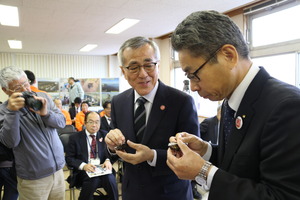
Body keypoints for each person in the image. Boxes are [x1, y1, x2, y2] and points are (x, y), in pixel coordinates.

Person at [166, 10, 300, 200]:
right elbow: (242, 160)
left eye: (194, 74)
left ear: (228, 55)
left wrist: (204, 172)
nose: (194, 87)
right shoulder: (231, 102)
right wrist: (206, 150)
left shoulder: (286, 106)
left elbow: (282, 196)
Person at [104, 36, 200, 200]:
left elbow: (191, 154)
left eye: (149, 65)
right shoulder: (118, 102)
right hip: (132, 192)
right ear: (123, 71)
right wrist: (112, 146)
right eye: (133, 67)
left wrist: (152, 155)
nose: (143, 74)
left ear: (158, 65)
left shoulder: (180, 102)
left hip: (170, 193)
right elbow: (118, 148)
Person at [0, 66, 66, 200]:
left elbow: (62, 122)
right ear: (5, 90)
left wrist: (46, 114)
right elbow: (11, 142)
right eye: (18, 88)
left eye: (26, 84)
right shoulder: (3, 111)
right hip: (33, 178)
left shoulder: (42, 97)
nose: (25, 90)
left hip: (58, 171)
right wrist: (12, 112)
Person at [65, 111, 118, 200]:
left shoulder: (105, 135)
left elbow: (113, 153)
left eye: (97, 122)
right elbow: (69, 158)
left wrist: (108, 160)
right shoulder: (75, 137)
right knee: (93, 180)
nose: (94, 125)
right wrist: (83, 165)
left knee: (110, 179)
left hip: (102, 169)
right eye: (91, 122)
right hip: (84, 171)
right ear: (85, 123)